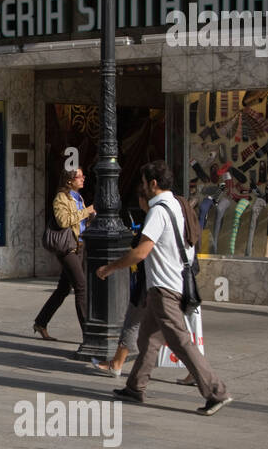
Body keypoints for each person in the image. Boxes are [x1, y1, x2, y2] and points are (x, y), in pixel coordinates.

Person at [99, 160, 231, 416]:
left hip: (165, 288)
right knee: (147, 338)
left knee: (181, 342)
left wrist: (109, 268)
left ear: (153, 184)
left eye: (144, 183)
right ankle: (135, 387)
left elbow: (141, 252)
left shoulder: (158, 211)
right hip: (175, 283)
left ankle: (216, 392)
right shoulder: (179, 205)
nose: (142, 188)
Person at [33, 167, 95, 342]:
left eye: (83, 175)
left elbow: (79, 222)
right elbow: (63, 221)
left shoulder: (78, 197)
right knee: (81, 287)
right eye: (79, 176)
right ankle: (88, 335)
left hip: (79, 246)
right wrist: (87, 211)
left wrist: (90, 217)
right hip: (67, 248)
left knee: (63, 289)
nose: (83, 178)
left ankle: (41, 322)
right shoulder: (61, 198)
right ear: (69, 181)